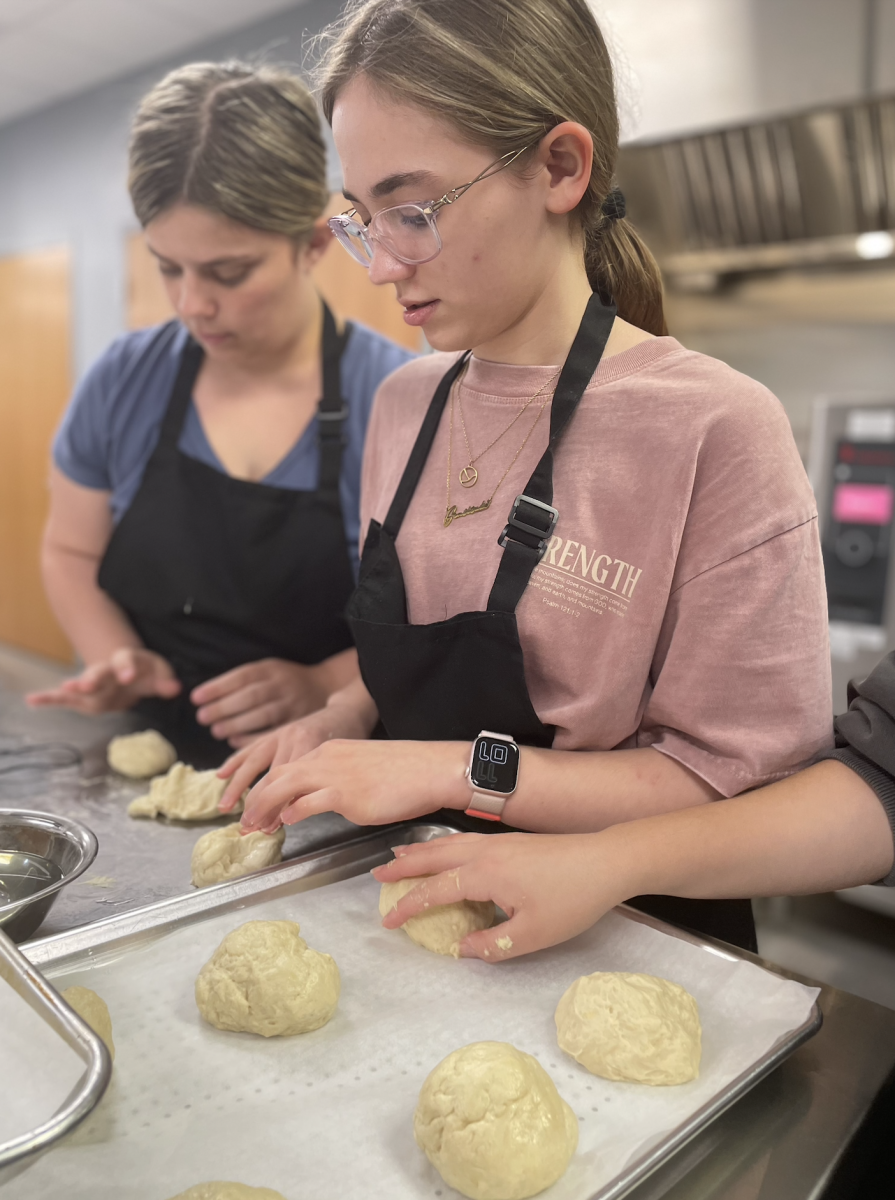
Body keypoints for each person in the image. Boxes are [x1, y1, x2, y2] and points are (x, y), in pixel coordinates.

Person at [220, 0, 832, 950]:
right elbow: (411, 662)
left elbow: (736, 784)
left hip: (635, 936)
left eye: (412, 211)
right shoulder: (403, 406)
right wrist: (335, 719)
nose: (380, 265)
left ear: (558, 167)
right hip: (415, 904)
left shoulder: (715, 427)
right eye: (361, 218)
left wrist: (447, 771)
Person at [28, 62, 413, 766]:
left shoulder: (398, 399)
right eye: (168, 266)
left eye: (229, 273)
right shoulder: (124, 379)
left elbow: (437, 624)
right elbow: (69, 550)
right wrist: (116, 657)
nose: (190, 305)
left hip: (337, 770)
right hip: (154, 756)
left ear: (315, 244)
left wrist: (324, 684)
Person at [372, 653, 895, 961]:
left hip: (659, 912)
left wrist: (606, 859)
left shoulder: (726, 471)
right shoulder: (398, 459)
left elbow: (872, 776)